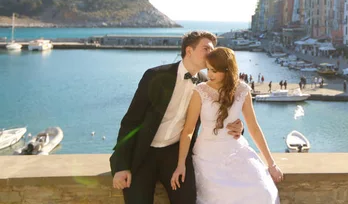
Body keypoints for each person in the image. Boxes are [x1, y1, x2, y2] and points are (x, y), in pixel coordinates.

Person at [110, 31, 244, 204]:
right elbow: (131, 121)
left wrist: (238, 128)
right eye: (206, 48)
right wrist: (122, 166)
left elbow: (221, 116)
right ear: (189, 51)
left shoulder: (208, 84)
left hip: (176, 155)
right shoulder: (155, 76)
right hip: (143, 153)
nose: (211, 53)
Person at [170, 47, 282, 203]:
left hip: (236, 150)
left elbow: (254, 128)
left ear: (228, 70)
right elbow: (188, 130)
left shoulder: (242, 90)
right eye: (208, 69)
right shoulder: (200, 91)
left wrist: (271, 163)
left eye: (214, 71)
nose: (209, 75)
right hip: (207, 155)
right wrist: (181, 164)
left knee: (263, 192)